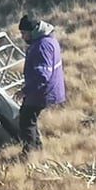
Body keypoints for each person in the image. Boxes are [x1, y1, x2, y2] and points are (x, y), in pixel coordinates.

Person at [17, 14, 66, 153]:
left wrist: (25, 91)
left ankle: (31, 153)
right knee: (29, 118)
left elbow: (42, 76)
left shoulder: (41, 46)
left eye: (24, 33)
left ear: (32, 31)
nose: (22, 37)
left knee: (26, 120)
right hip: (47, 89)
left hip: (43, 92)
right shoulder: (48, 39)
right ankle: (37, 149)